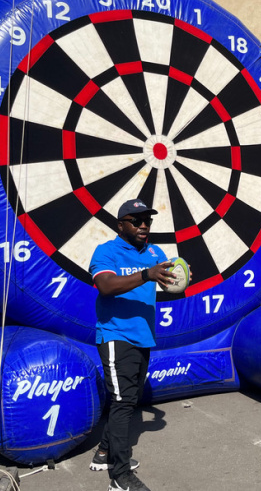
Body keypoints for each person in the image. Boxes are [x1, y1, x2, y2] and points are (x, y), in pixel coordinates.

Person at [89, 199, 176, 491]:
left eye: (147, 220)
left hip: (144, 336)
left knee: (127, 401)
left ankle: (104, 452)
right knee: (123, 402)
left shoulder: (156, 252)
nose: (143, 225)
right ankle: (119, 476)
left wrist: (177, 281)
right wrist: (146, 274)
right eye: (136, 220)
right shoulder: (106, 251)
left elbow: (165, 283)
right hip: (116, 336)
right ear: (120, 225)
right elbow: (106, 286)